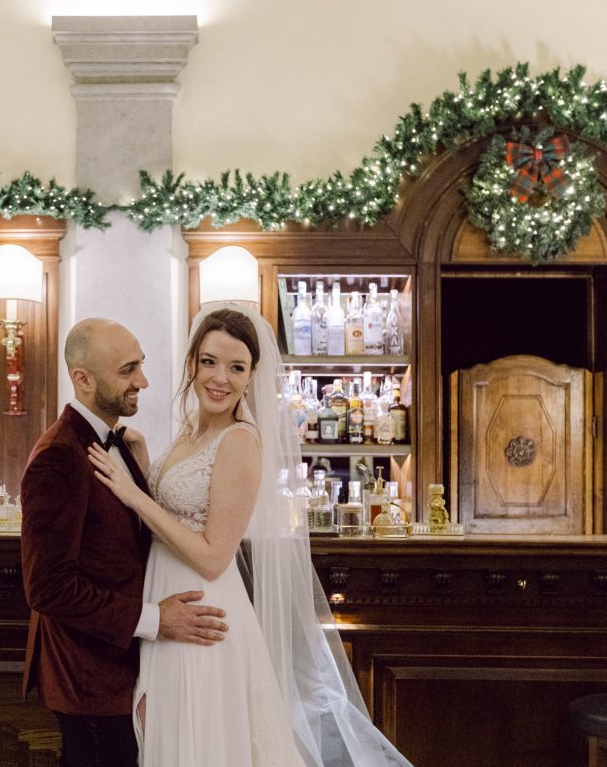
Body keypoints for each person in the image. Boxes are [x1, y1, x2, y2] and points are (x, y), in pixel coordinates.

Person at [88, 304, 414, 767]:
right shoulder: (190, 432)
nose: (219, 378)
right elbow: (177, 517)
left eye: (236, 367)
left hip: (203, 613)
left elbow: (214, 555)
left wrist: (134, 496)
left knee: (200, 743)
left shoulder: (240, 441)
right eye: (209, 362)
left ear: (252, 375)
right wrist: (142, 465)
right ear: (192, 364)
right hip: (168, 609)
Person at [21, 317, 230, 767]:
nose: (143, 381)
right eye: (127, 370)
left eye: (141, 366)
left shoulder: (116, 443)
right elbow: (48, 587)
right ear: (83, 378)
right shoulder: (59, 456)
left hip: (116, 667)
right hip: (87, 674)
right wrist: (156, 619)